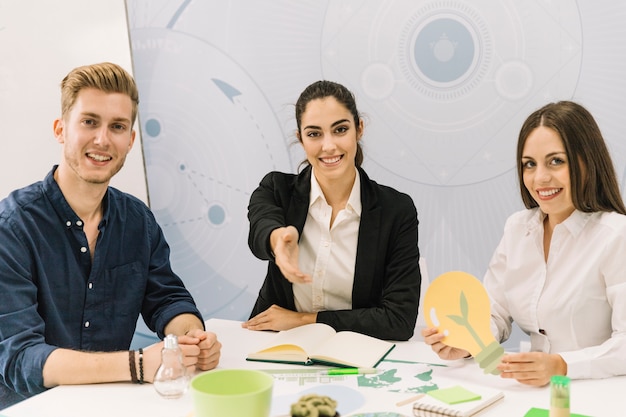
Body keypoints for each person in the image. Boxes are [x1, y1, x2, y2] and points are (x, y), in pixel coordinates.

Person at [0, 62, 221, 407]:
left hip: (113, 404)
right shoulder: (11, 227)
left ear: (130, 140)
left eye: (117, 126)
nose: (103, 139)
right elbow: (20, 359)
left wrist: (190, 338)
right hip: (29, 408)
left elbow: (166, 299)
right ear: (61, 130)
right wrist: (137, 364)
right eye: (89, 122)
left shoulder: (138, 221)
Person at [422, 101, 626, 386]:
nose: (540, 178)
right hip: (533, 394)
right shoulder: (518, 229)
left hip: (596, 393)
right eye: (530, 164)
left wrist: (561, 365)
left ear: (587, 163)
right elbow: (496, 313)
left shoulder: (616, 235)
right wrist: (470, 343)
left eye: (556, 161)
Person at [242, 80, 421, 341]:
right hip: (277, 343)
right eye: (314, 134)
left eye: (340, 130)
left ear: (359, 129)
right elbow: (262, 225)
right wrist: (277, 241)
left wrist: (305, 321)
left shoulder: (396, 210)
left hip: (356, 351)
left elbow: (398, 320)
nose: (328, 146)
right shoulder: (277, 189)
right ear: (300, 139)